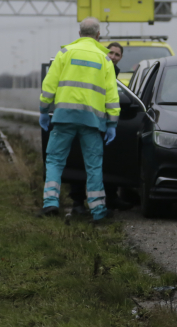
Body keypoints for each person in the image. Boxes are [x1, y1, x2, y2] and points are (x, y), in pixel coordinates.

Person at [38, 17, 120, 223]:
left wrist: (43, 109)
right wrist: (112, 123)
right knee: (93, 165)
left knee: (55, 160)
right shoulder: (105, 60)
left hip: (64, 117)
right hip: (92, 121)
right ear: (98, 35)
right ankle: (98, 211)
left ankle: (50, 203)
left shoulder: (64, 54)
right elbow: (112, 95)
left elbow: (49, 85)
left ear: (79, 34)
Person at [68, 40, 133, 214]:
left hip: (101, 122)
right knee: (79, 161)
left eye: (117, 54)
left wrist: (111, 122)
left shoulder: (115, 72)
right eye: (110, 52)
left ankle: (110, 198)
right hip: (84, 119)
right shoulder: (93, 68)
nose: (113, 56)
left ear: (120, 58)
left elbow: (112, 97)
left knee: (108, 160)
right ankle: (78, 203)